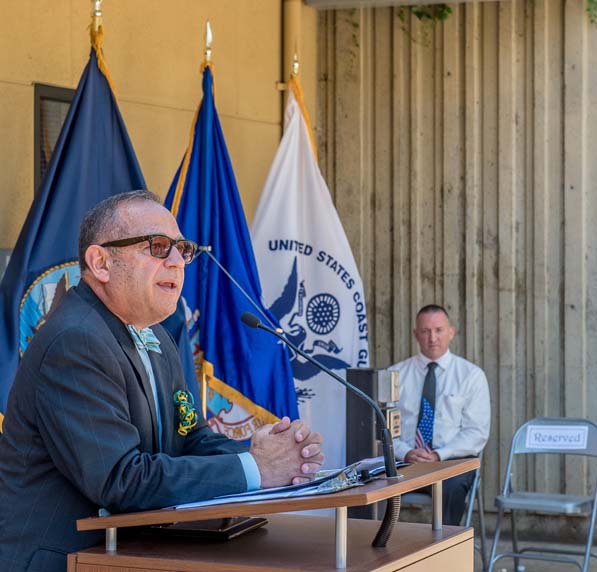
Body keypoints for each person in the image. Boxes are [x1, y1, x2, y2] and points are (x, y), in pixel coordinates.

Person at [0, 191, 324, 572]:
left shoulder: (158, 338)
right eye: (157, 247)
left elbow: (191, 438)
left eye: (183, 249)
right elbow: (121, 480)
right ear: (100, 262)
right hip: (60, 562)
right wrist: (255, 469)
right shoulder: (75, 340)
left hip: (125, 556)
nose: (177, 262)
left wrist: (265, 452)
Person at [390, 304, 490, 525]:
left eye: (438, 330)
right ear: (416, 334)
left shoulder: (471, 376)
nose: (432, 338)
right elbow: (384, 429)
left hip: (450, 463)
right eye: (425, 331)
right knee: (369, 482)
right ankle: (378, 551)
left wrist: (439, 455)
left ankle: (445, 553)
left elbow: (476, 433)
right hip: (405, 462)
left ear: (451, 332)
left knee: (452, 488)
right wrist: (405, 452)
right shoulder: (395, 375)